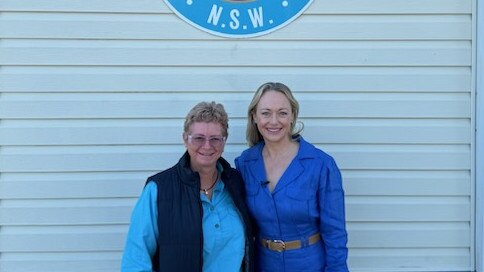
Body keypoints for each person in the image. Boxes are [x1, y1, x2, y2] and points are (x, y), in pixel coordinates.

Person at [121, 101, 254, 272]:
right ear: (185, 139)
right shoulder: (159, 189)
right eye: (199, 138)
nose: (207, 146)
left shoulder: (236, 184)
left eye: (215, 139)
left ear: (224, 141)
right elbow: (135, 262)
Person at [235, 82, 349, 272]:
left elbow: (335, 232)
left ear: (293, 116)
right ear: (254, 117)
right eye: (265, 113)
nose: (274, 121)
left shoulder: (320, 164)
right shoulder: (245, 164)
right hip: (264, 264)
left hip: (310, 264)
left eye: (282, 113)